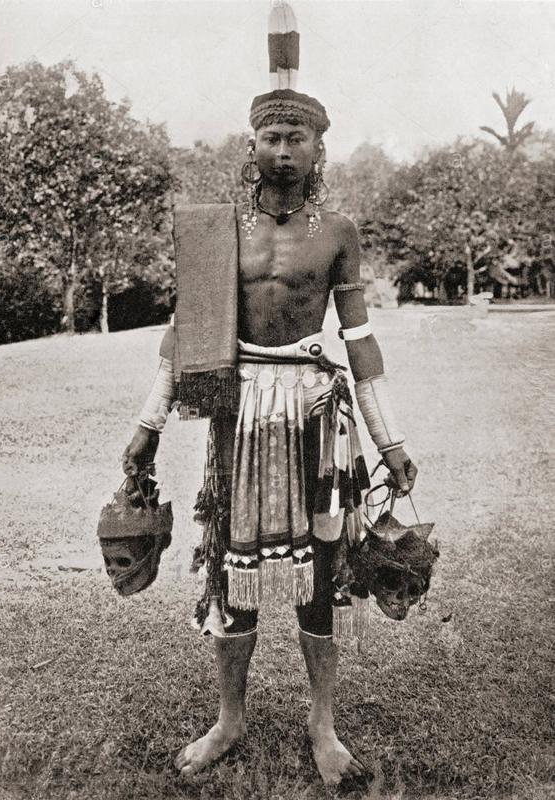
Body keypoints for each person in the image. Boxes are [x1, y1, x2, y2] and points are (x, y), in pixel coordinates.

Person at [122, 4, 417, 787]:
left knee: (324, 571)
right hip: (242, 414)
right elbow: (187, 332)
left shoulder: (340, 231)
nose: (283, 150)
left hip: (318, 422)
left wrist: (389, 442)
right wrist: (148, 426)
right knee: (232, 569)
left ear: (321, 148)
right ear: (250, 145)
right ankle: (230, 717)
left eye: (298, 138)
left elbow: (358, 343)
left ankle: (325, 727)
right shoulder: (220, 231)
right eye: (271, 137)